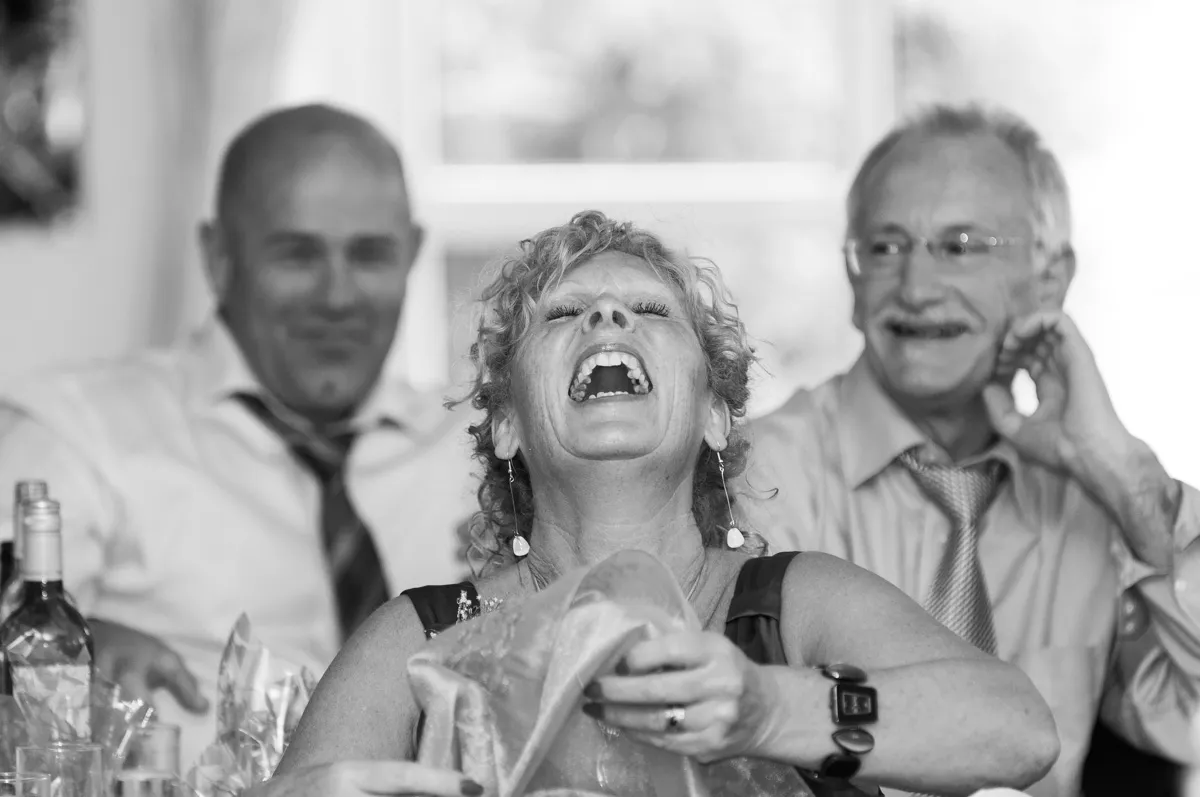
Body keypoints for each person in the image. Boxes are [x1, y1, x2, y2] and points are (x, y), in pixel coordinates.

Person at [254, 210, 1059, 797]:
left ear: (715, 414)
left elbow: (1017, 728)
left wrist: (765, 710)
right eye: (564, 314)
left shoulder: (794, 603)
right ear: (505, 426)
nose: (607, 316)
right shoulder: (422, 637)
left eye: (651, 312)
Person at [737, 104, 1200, 797]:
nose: (917, 289)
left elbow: (1189, 718)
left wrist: (1128, 474)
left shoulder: (1094, 501)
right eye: (886, 247)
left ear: (1051, 278)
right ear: (854, 284)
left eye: (960, 246)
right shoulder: (757, 479)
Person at [0, 104, 477, 765]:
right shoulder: (77, 433)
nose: (337, 295)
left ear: (414, 255)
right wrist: (60, 653)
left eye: (370, 254)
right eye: (297, 254)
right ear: (218, 258)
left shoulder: (485, 447)